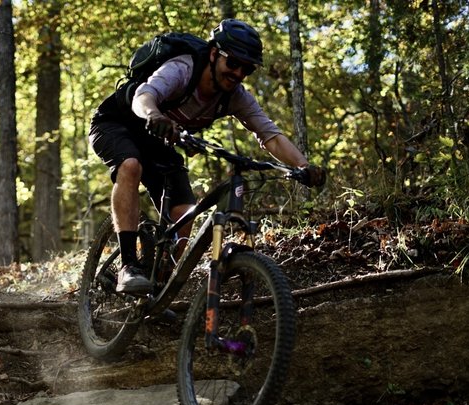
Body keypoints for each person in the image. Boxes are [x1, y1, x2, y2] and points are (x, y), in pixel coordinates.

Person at [89, 19, 326, 294]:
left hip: (159, 139)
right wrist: (154, 114)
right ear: (214, 54)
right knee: (130, 166)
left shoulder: (235, 96)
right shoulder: (183, 69)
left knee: (185, 212)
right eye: (233, 63)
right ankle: (128, 267)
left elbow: (269, 134)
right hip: (117, 122)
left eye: (246, 68)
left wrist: (303, 166)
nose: (238, 73)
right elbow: (144, 95)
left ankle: (158, 289)